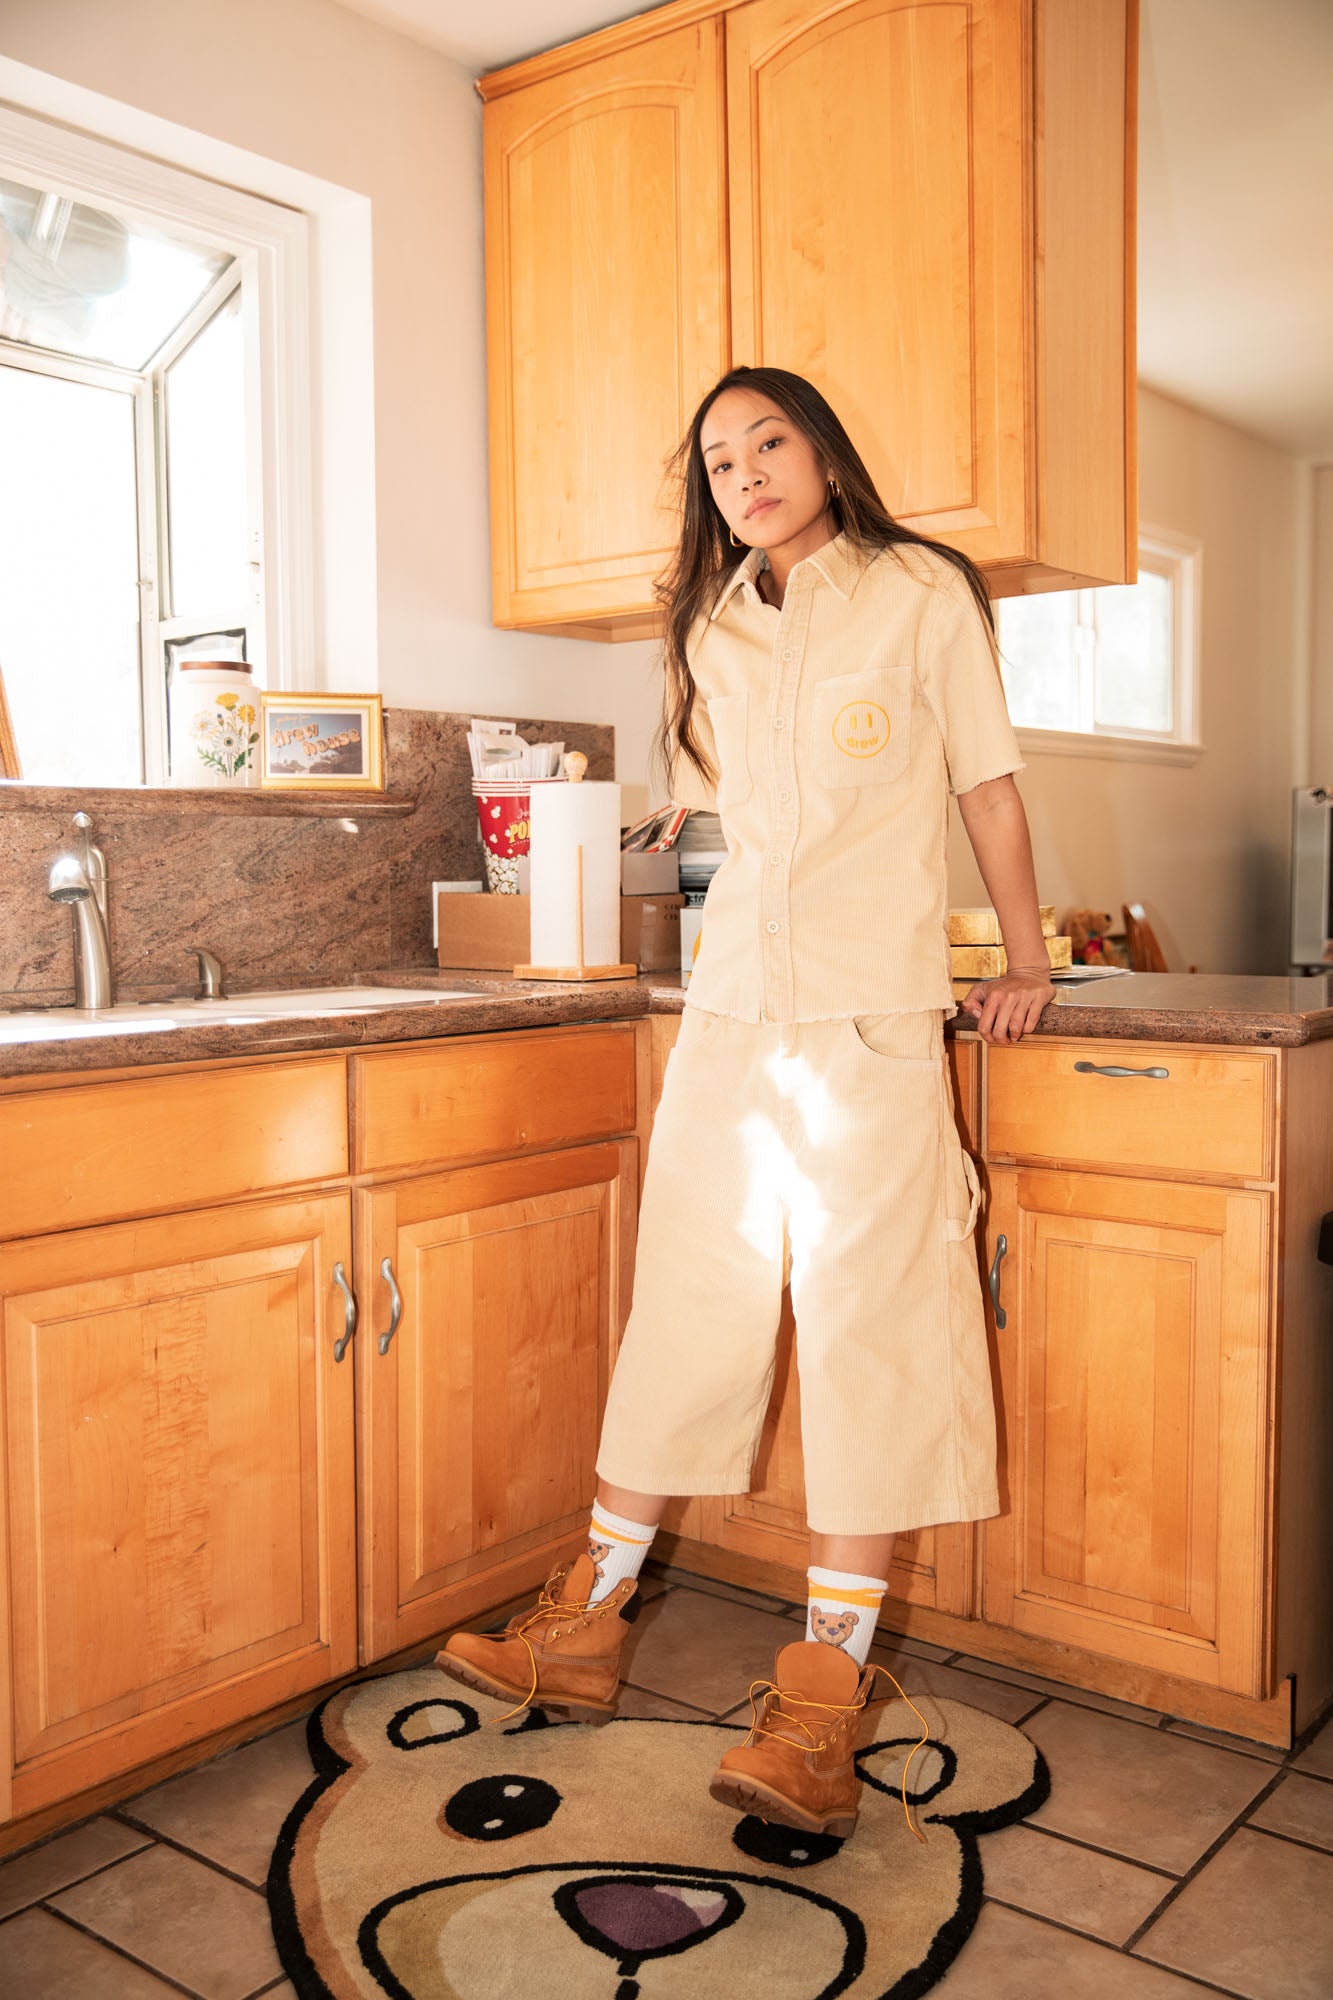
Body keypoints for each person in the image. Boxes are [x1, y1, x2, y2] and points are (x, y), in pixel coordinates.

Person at [438, 365, 1054, 1844]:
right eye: (718, 462)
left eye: (766, 441)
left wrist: (1030, 959)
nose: (745, 473)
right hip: (727, 1020)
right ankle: (585, 1622)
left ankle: (823, 1702)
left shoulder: (922, 594)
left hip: (866, 1018)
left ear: (823, 449)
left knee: (867, 1329)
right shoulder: (712, 625)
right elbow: (722, 800)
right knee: (687, 1303)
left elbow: (985, 788)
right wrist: (647, 830)